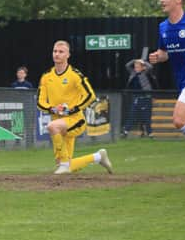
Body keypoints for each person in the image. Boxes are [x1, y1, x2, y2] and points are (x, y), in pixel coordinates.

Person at [37, 40, 113, 175]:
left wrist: (74, 109)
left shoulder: (75, 75)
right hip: (59, 123)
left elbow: (90, 95)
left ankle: (65, 164)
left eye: (61, 52)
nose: (57, 54)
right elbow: (40, 101)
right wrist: (52, 109)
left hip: (75, 120)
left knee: (51, 127)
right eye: (55, 51)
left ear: (68, 55)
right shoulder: (46, 76)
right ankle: (99, 157)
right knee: (64, 166)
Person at [149, 0, 185, 146]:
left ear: (179, 0)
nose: (161, 0)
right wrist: (158, 56)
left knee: (179, 120)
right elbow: (165, 52)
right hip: (182, 83)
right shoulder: (163, 27)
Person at [122, 58, 156, 138]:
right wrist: (134, 60)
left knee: (147, 116)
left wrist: (143, 62)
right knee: (132, 115)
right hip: (136, 97)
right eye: (135, 67)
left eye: (138, 66)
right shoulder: (133, 73)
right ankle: (125, 131)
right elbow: (127, 65)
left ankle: (149, 133)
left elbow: (150, 67)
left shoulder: (145, 73)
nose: (136, 68)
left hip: (146, 97)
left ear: (142, 67)